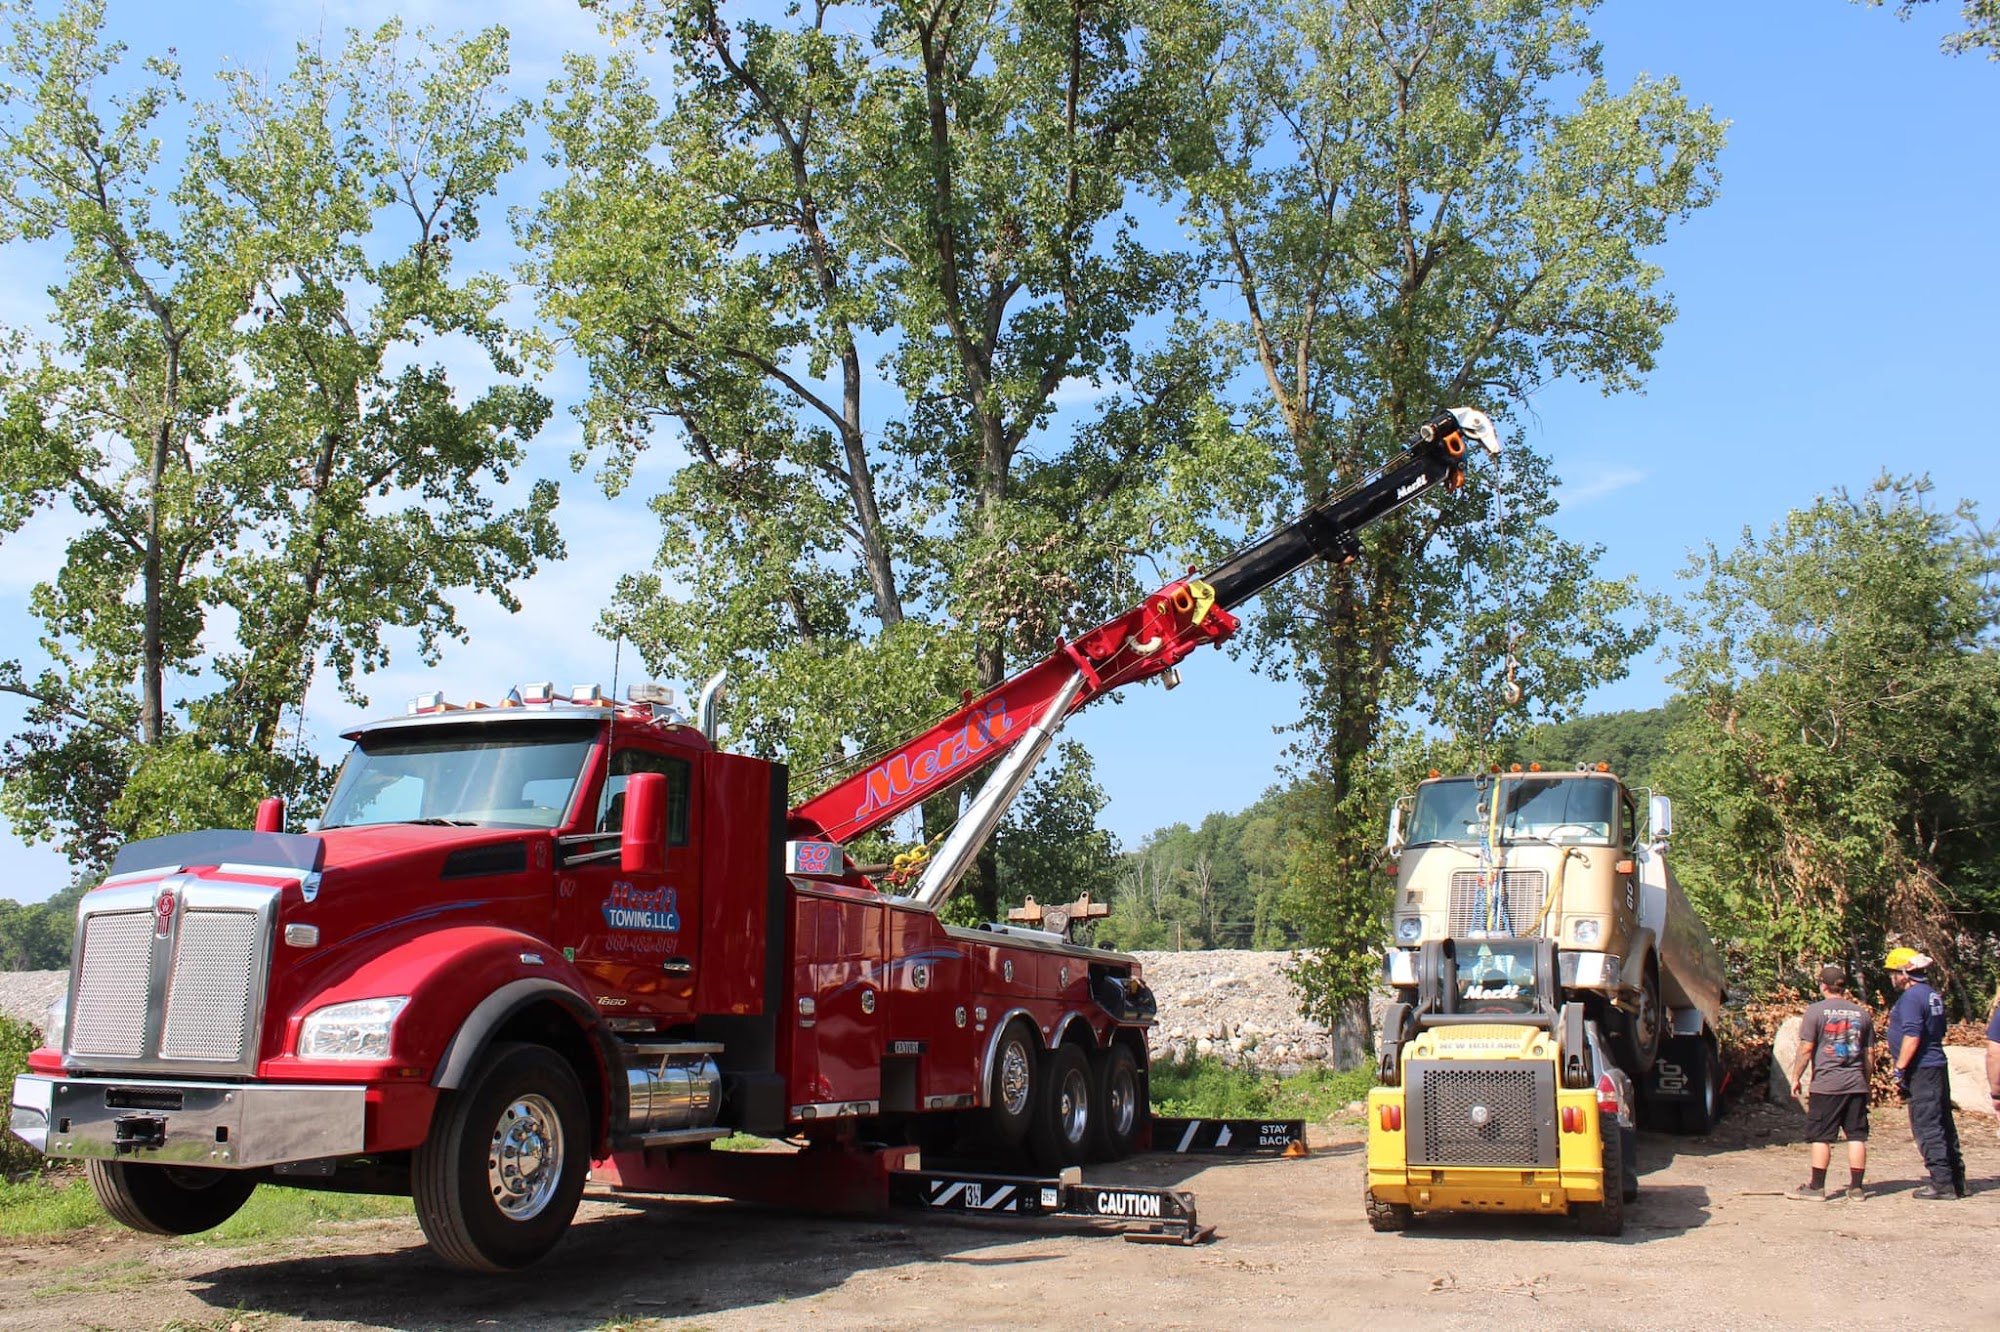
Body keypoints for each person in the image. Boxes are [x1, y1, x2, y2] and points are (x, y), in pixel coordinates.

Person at [1787, 962, 1873, 1201]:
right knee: (1857, 1136)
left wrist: (1795, 1077)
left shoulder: (1815, 1012)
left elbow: (1806, 1048)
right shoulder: (1862, 1013)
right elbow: (1870, 1055)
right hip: (1855, 1083)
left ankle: (1817, 1187)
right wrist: (1866, 1083)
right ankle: (1856, 1188)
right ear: (1843, 987)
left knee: (1821, 1137)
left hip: (1826, 1085)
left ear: (1823, 986)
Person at [1884, 947, 1965, 1199]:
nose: (1891, 978)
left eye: (1893, 973)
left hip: (1922, 1069)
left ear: (1904, 973)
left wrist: (1900, 1069)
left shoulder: (1911, 998)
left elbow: (1912, 1035)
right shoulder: (1931, 994)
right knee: (1943, 1122)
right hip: (1936, 1065)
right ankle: (1956, 1180)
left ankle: (1942, 1184)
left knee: (1927, 1125)